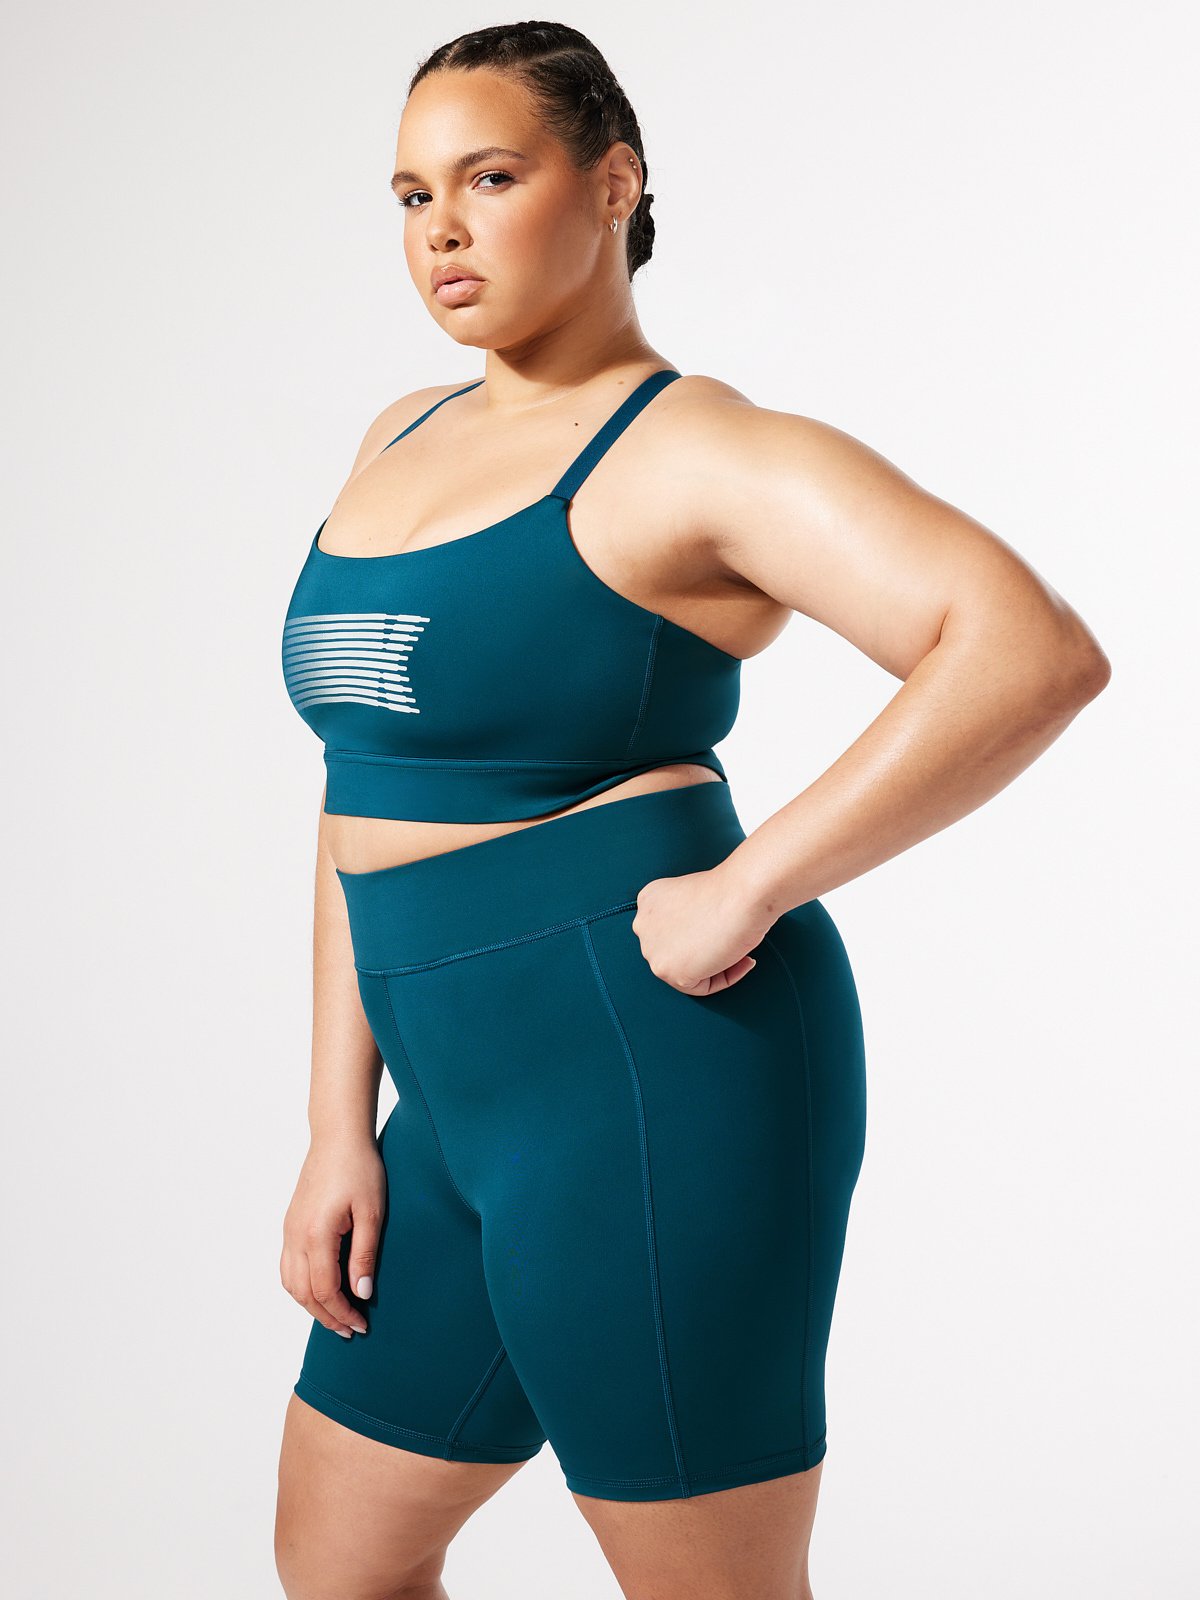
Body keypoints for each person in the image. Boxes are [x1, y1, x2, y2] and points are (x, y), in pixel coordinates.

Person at [273, 21, 1110, 1600]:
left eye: (490, 178)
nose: (441, 230)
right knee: (338, 1562)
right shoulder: (398, 437)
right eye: (412, 195)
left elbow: (1025, 648)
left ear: (615, 183)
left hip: (651, 1077)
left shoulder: (693, 450)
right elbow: (358, 788)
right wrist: (337, 1125)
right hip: (447, 1105)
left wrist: (754, 882)